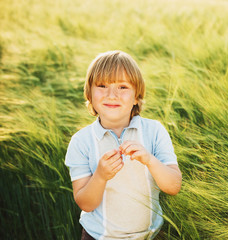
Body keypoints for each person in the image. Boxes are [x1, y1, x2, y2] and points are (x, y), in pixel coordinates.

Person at [65, 50, 182, 240]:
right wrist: (101, 176)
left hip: (151, 235)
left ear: (136, 97)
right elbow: (86, 203)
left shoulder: (154, 131)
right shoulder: (81, 141)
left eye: (122, 87)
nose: (112, 94)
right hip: (98, 237)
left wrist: (150, 160)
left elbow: (174, 186)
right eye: (102, 86)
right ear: (90, 95)